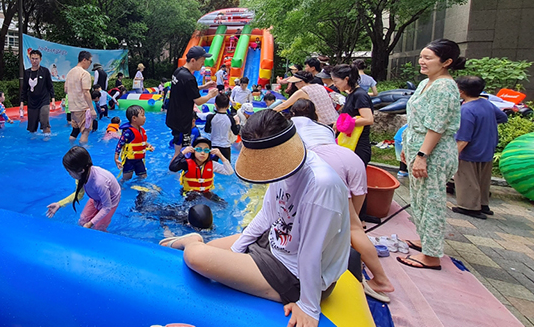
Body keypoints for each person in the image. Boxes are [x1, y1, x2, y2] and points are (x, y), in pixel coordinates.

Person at [160, 110, 350, 327]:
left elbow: (312, 251)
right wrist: (237, 250)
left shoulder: (321, 185)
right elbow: (267, 215)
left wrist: (308, 305)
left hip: (294, 274)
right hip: (275, 243)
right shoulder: (283, 165)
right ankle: (203, 243)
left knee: (195, 257)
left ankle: (192, 242)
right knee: (213, 249)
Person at [291, 100, 394, 301]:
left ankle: (376, 277)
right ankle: (370, 273)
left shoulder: (292, 123)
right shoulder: (323, 127)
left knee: (344, 227)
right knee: (354, 226)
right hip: (349, 158)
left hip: (325, 162)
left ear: (293, 112)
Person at [398, 39, 465, 271]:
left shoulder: (445, 87)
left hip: (433, 153)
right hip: (419, 146)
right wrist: (408, 148)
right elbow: (416, 119)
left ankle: (432, 256)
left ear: (446, 62)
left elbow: (436, 126)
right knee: (419, 200)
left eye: (428, 58)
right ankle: (425, 240)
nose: (422, 61)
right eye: (422, 57)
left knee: (432, 201)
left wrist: (422, 155)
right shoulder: (426, 83)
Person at [453, 76, 508, 219]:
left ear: (461, 91)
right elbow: (503, 117)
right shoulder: (486, 104)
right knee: (483, 179)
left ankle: (469, 206)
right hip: (487, 147)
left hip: (470, 151)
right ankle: (483, 204)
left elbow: (463, 138)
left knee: (467, 179)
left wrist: (453, 155)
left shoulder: (466, 110)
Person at [46, 146, 121, 232]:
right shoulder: (81, 176)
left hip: (111, 201)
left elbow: (106, 207)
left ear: (81, 170)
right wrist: (59, 204)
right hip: (96, 197)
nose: (69, 174)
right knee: (82, 221)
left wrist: (90, 223)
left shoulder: (100, 182)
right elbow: (79, 195)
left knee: (99, 228)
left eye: (70, 172)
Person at [166, 46, 219, 156]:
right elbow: (198, 101)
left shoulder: (178, 71)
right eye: (202, 61)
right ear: (193, 60)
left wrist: (203, 87)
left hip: (173, 117)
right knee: (183, 153)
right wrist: (210, 95)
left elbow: (184, 90)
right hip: (183, 121)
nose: (203, 64)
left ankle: (176, 170)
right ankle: (175, 171)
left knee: (180, 150)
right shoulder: (189, 78)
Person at [331, 65, 374, 165]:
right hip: (350, 142)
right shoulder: (351, 93)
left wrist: (341, 124)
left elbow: (368, 119)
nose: (334, 84)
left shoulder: (360, 95)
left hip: (358, 146)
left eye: (336, 81)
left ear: (346, 79)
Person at [169, 137, 234, 203]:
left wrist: (220, 155)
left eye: (206, 150)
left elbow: (229, 171)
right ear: (193, 151)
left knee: (223, 204)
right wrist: (183, 153)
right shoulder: (186, 164)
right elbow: (172, 168)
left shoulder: (212, 165)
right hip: (189, 192)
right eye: (199, 149)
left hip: (206, 192)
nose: (202, 153)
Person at [274, 71, 339, 126]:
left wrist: (269, 112)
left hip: (323, 123)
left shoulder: (303, 91)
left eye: (296, 83)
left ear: (301, 82)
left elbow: (284, 105)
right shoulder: (320, 86)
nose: (295, 85)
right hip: (336, 120)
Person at [20, 49, 55, 134]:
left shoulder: (45, 71)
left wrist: (53, 99)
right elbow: (24, 88)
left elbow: (50, 86)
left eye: (36, 59)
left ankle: (47, 140)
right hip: (32, 101)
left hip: (44, 100)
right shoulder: (27, 72)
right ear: (30, 59)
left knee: (45, 123)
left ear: (40, 59)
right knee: (32, 128)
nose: (34, 61)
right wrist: (21, 102)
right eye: (32, 58)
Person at [115, 106, 154, 180]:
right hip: (129, 160)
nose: (145, 118)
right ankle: (120, 187)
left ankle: (141, 190)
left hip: (139, 160)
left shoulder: (141, 130)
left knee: (143, 176)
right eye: (142, 115)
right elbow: (120, 144)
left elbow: (142, 142)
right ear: (134, 118)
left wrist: (149, 146)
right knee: (127, 177)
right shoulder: (128, 132)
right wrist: (116, 158)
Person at [64, 51, 96, 144]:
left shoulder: (70, 72)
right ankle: (84, 152)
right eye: (90, 61)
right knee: (86, 131)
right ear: (84, 60)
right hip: (82, 107)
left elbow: (66, 89)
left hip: (72, 108)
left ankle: (70, 149)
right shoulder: (84, 73)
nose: (90, 64)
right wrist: (92, 109)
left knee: (75, 131)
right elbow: (86, 92)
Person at [205, 93, 241, 162]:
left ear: (215, 104)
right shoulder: (230, 118)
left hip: (213, 145)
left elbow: (206, 130)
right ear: (228, 106)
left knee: (211, 167)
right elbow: (236, 132)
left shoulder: (210, 117)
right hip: (226, 146)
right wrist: (237, 123)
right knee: (228, 169)